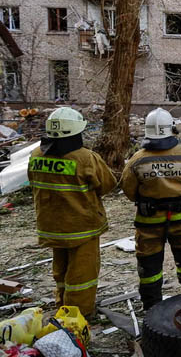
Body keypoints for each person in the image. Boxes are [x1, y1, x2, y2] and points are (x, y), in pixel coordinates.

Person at [27, 107, 117, 316]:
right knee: (82, 273)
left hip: (51, 226)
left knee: (61, 267)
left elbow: (33, 181)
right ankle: (77, 314)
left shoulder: (36, 154)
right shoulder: (85, 158)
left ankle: (62, 302)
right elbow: (107, 184)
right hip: (81, 226)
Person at [121, 108, 181, 309]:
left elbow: (129, 190)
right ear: (172, 129)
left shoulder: (137, 159)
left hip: (149, 223)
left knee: (150, 269)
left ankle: (152, 309)